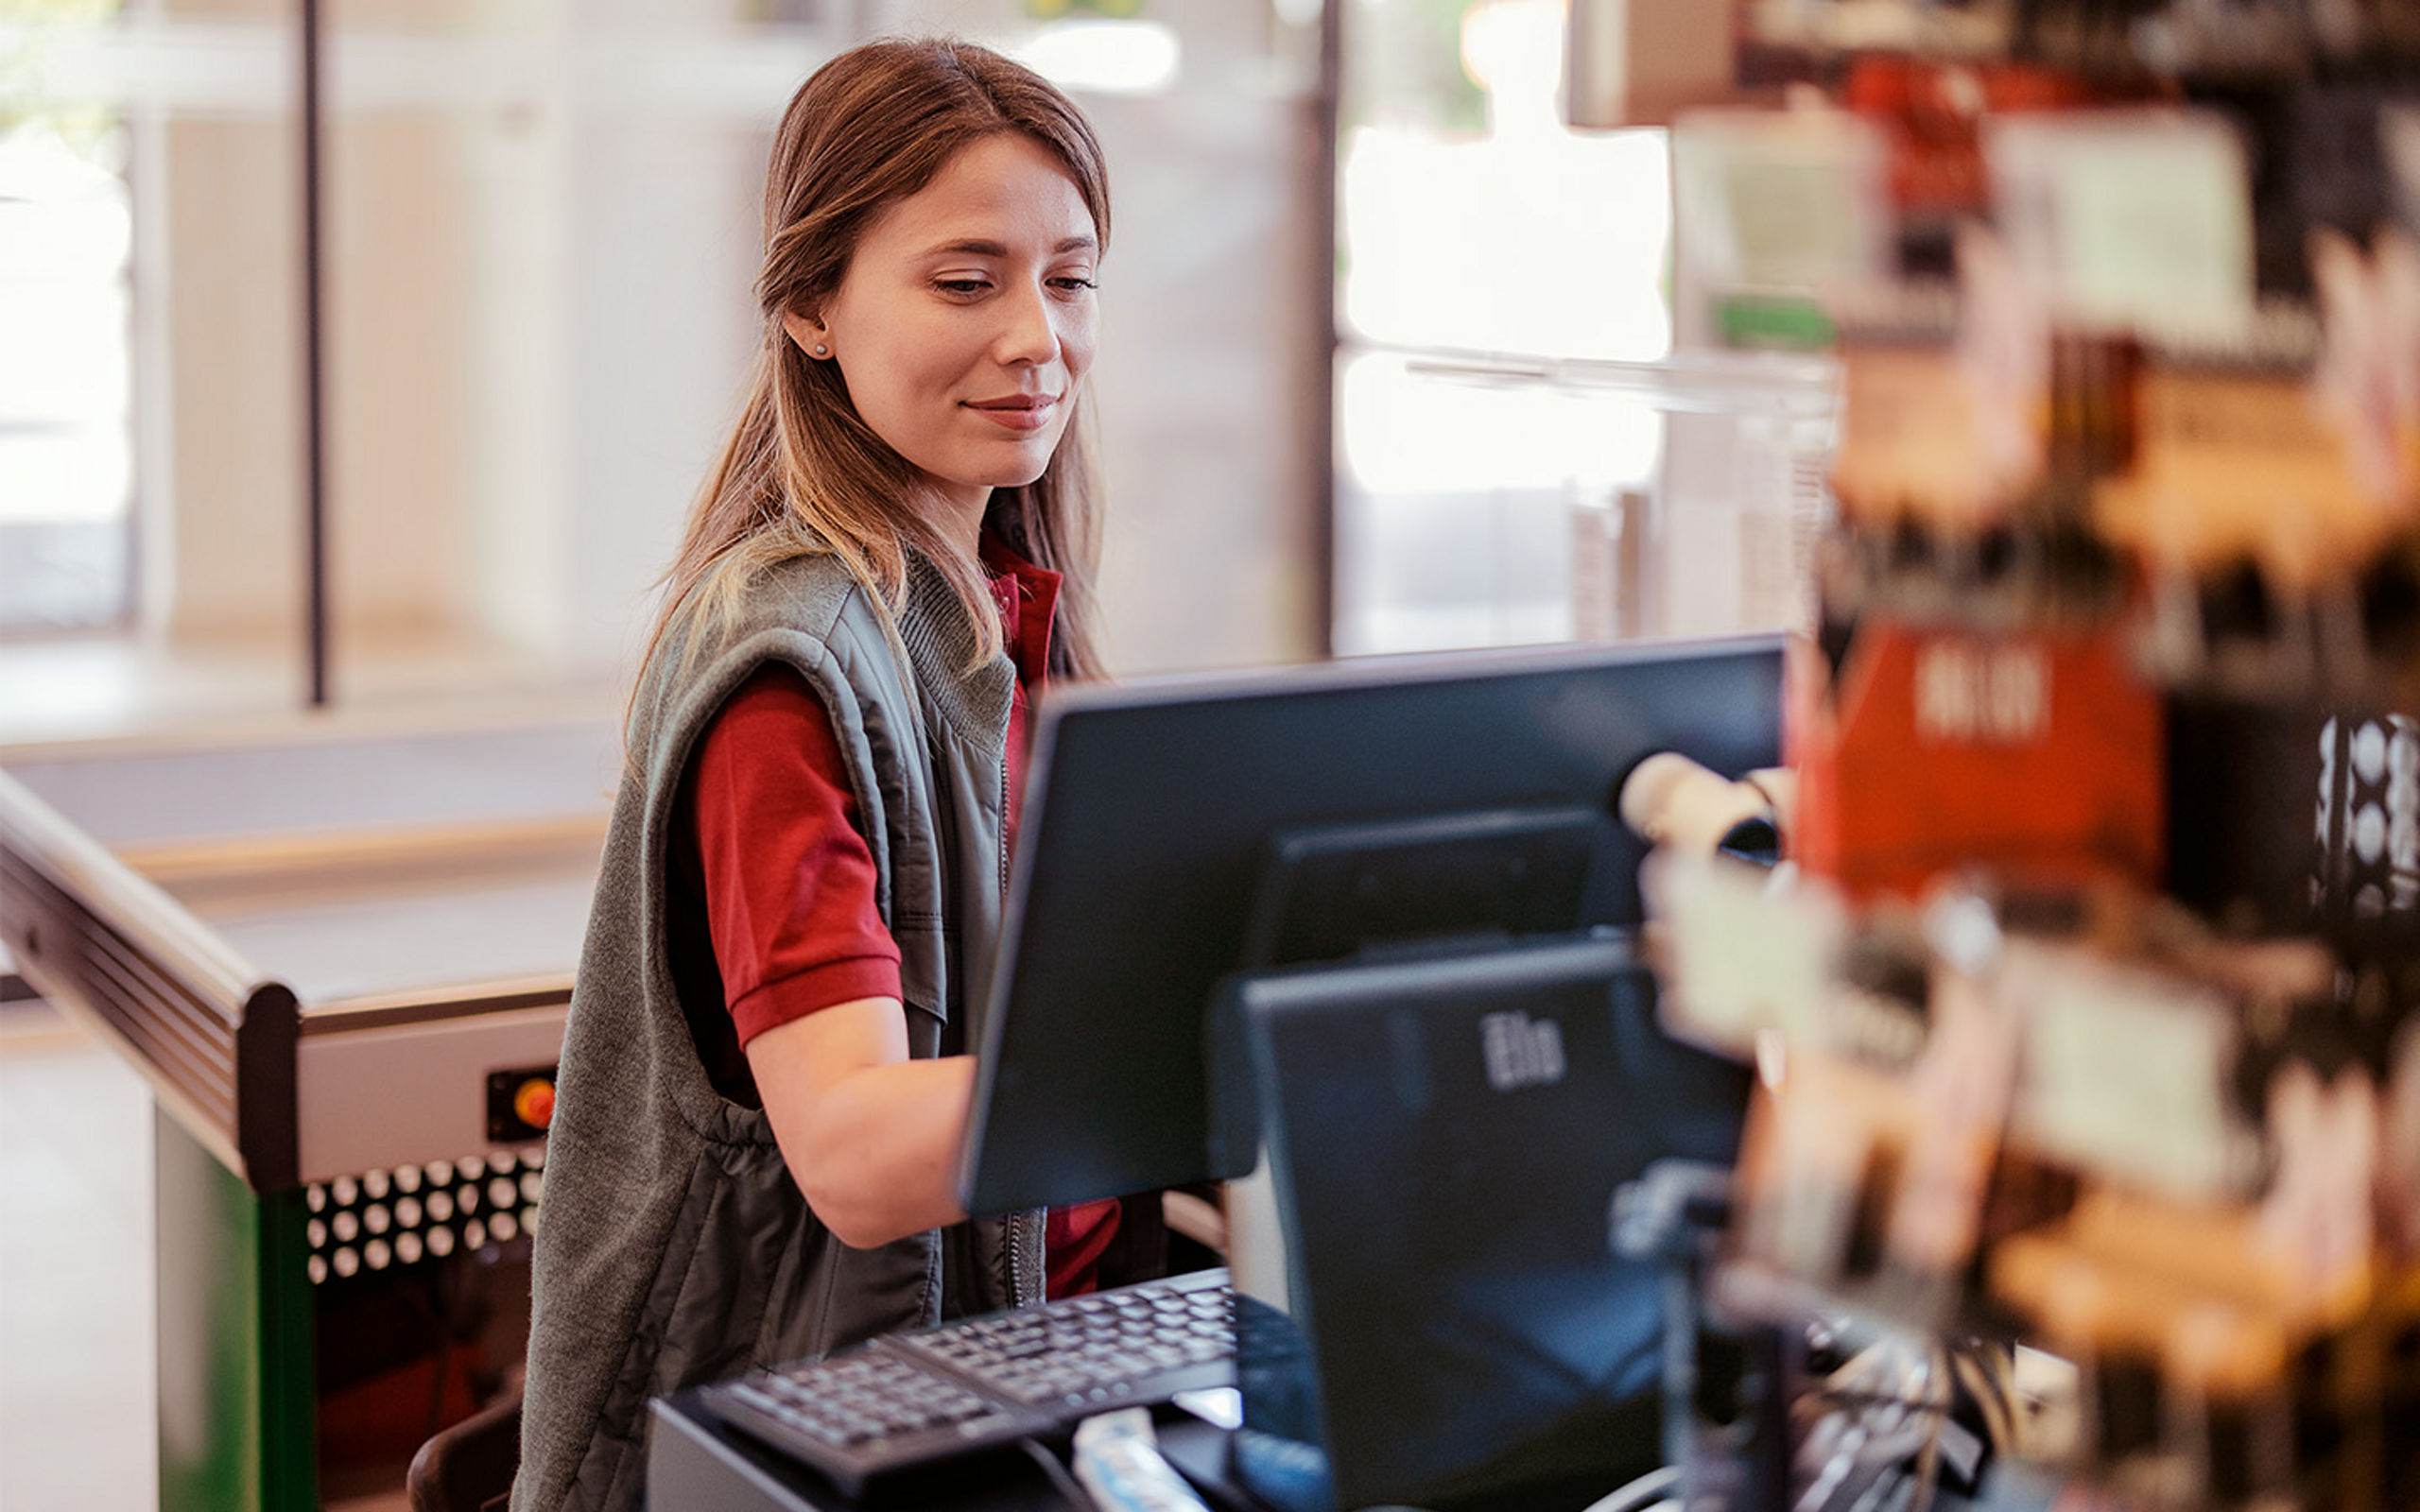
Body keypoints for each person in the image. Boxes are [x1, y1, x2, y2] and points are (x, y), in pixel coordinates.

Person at [512, 40, 1154, 1511]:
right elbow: (861, 1154)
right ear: (809, 307)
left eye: (1070, 278)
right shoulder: (789, 671)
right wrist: (1227, 1048)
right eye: (965, 280)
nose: (1038, 340)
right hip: (819, 1425)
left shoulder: (1005, 613)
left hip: (1028, 1377)